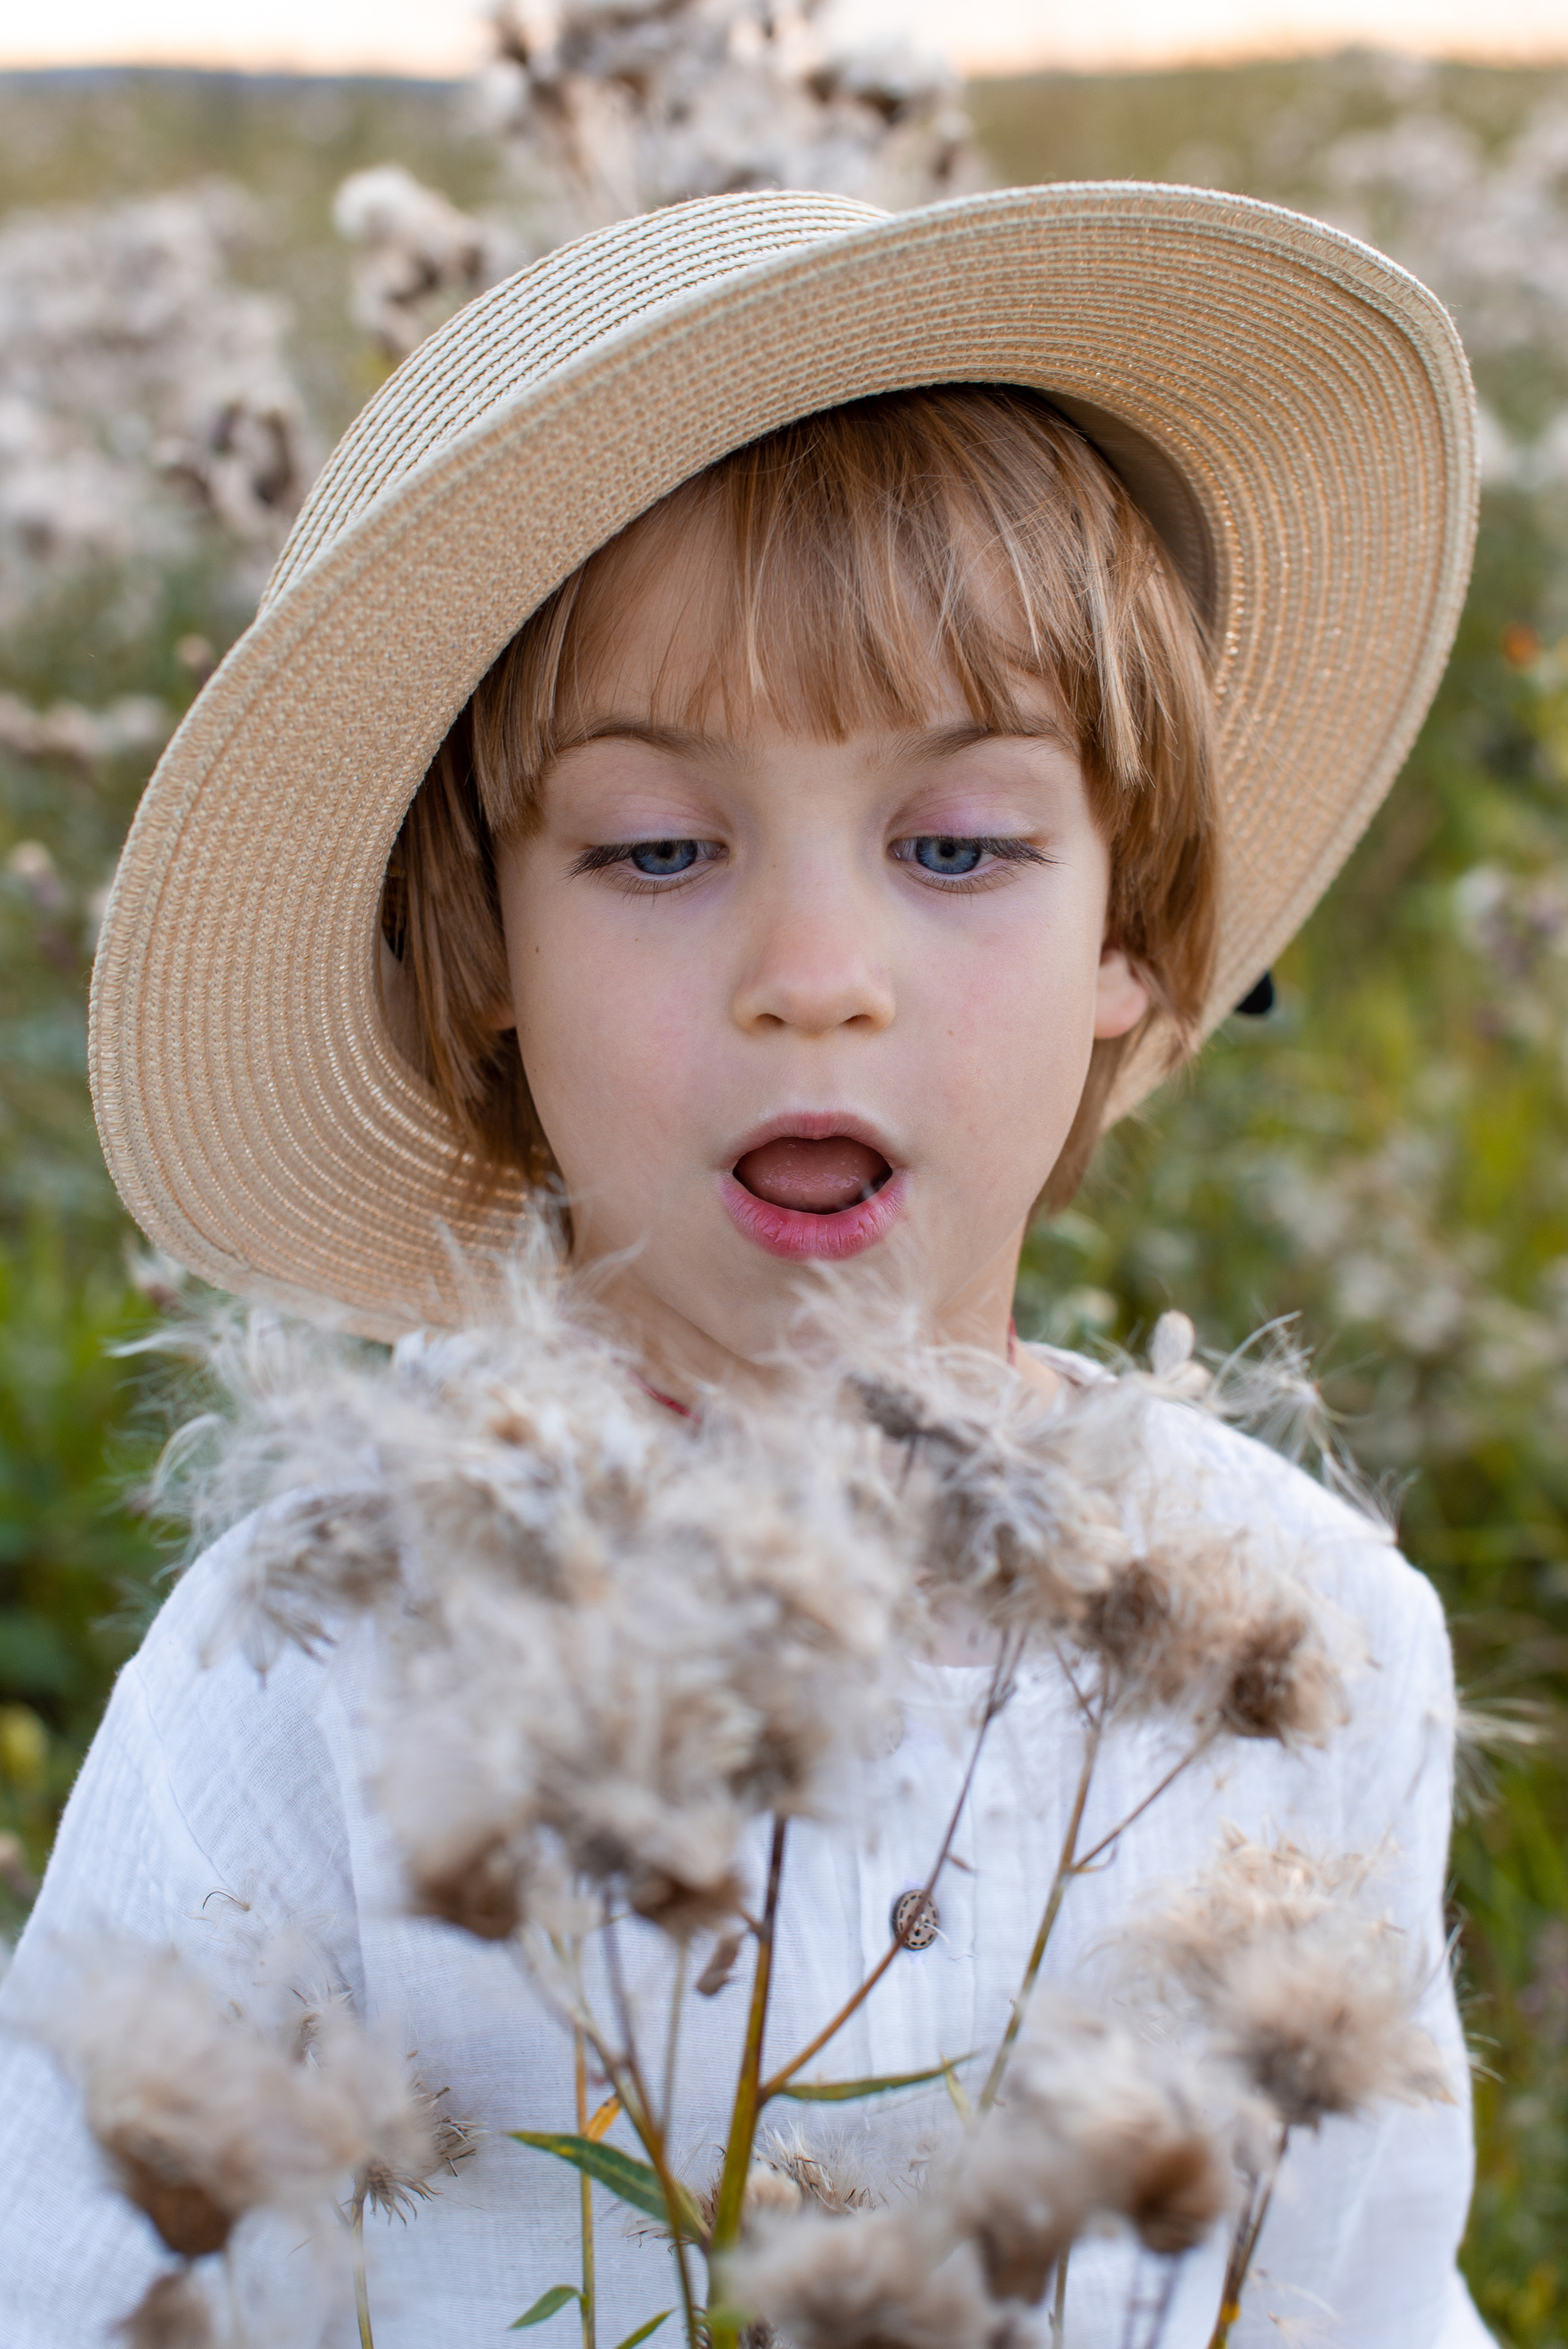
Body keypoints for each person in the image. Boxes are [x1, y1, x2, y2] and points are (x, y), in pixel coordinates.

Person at [0, 185, 1487, 2345]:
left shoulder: (1302, 1636)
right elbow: (76, 2278)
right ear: (488, 948)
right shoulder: (315, 1649)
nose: (816, 978)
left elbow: (1355, 2288)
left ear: (1133, 938)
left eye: (958, 846)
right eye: (658, 850)